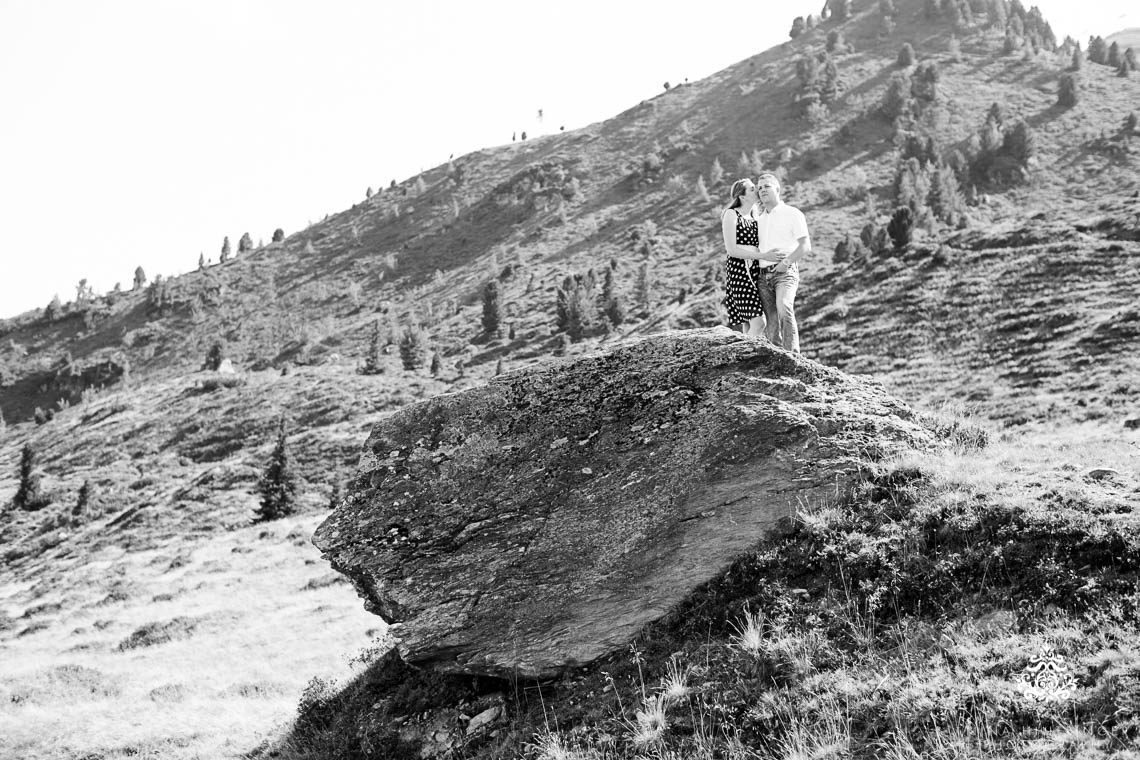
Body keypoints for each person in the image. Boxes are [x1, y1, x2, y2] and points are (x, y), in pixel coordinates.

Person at [720, 178, 787, 337]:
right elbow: (731, 250)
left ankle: (746, 355)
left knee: (748, 323)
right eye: (751, 189)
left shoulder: (755, 216)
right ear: (742, 197)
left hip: (756, 271)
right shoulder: (731, 214)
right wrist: (763, 256)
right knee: (759, 322)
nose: (756, 190)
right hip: (739, 272)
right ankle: (745, 356)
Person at [754, 173, 810, 352]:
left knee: (784, 306)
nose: (762, 190)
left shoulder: (792, 213)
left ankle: (793, 356)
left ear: (777, 189)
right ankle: (775, 360)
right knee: (771, 320)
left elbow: (805, 246)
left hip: (785, 273)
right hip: (763, 276)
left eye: (767, 186)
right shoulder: (759, 220)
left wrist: (785, 262)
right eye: (759, 187)